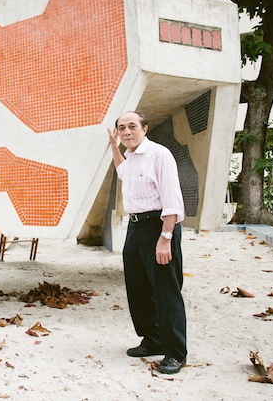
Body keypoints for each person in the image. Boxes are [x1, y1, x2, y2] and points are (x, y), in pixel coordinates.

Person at [108, 111, 187, 374]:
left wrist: (165, 239)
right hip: (135, 228)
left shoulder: (159, 155)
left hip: (159, 227)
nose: (126, 131)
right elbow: (121, 171)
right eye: (122, 128)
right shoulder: (130, 159)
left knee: (166, 291)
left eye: (132, 126)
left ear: (145, 128)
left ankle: (175, 352)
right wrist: (113, 145)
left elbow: (173, 201)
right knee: (138, 288)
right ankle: (152, 340)